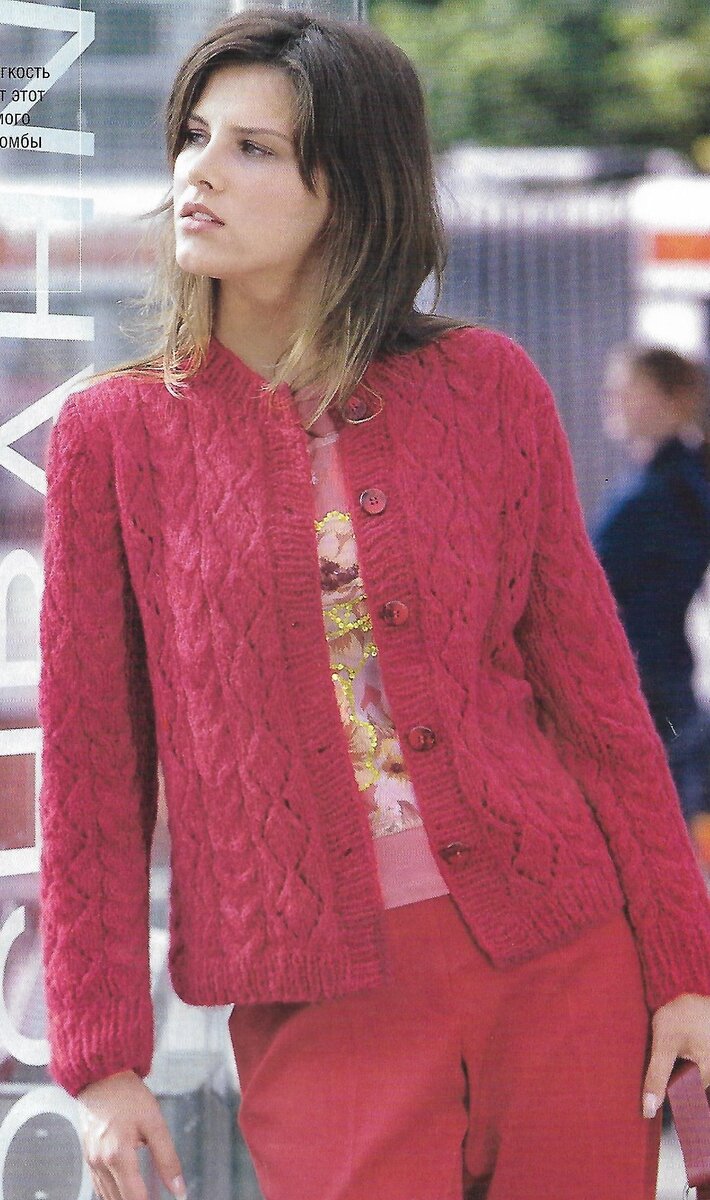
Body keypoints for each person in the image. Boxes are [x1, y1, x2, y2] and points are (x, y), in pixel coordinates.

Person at [37, 10, 710, 1200]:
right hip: (317, 1001)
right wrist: (102, 1059)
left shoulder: (485, 386)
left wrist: (683, 971)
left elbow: (597, 706)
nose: (199, 170)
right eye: (194, 135)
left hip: (562, 958)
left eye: (253, 147)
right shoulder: (113, 435)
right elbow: (91, 763)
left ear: (348, 188)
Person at [593, 346, 710, 831]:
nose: (613, 399)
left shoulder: (669, 489)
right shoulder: (665, 479)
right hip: (653, 675)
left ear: (671, 399)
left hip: (648, 680)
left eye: (629, 388)